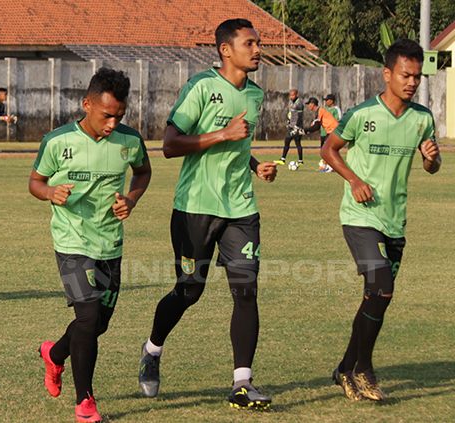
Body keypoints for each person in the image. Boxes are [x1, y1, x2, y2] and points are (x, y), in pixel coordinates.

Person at [137, 18, 277, 411]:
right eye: (249, 43)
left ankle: (242, 383)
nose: (257, 49)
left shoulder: (255, 94)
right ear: (225, 50)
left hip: (241, 209)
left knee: (246, 291)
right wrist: (221, 134)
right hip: (195, 208)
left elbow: (238, 144)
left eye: (258, 43)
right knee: (189, 291)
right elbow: (169, 145)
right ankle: (152, 350)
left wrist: (255, 165)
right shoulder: (201, 87)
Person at [321, 39, 441, 402]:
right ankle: (364, 369)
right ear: (387, 74)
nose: (411, 82)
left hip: (394, 220)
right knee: (382, 288)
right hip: (359, 218)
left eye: (417, 77)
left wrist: (431, 159)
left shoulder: (422, 119)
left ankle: (345, 367)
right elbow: (328, 148)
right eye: (406, 75)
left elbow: (432, 166)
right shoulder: (361, 115)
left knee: (376, 297)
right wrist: (354, 180)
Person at [30, 67, 151, 423]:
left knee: (97, 324)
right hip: (71, 240)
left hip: (110, 243)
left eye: (120, 116)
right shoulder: (57, 142)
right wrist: (51, 192)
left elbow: (143, 172)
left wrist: (131, 198)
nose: (113, 123)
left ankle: (54, 354)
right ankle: (85, 403)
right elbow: (35, 182)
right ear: (87, 104)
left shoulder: (129, 141)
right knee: (87, 315)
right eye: (106, 115)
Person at [303, 97, 339, 172]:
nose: (308, 106)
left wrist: (305, 130)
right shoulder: (319, 111)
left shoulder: (320, 111)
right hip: (331, 131)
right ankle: (328, 166)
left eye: (309, 104)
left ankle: (329, 167)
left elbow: (316, 126)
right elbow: (316, 126)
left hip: (333, 130)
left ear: (313, 104)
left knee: (326, 150)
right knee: (327, 149)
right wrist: (307, 131)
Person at [274, 88, 304, 168]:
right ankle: (283, 159)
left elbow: (298, 116)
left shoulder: (299, 103)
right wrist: (288, 122)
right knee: (287, 142)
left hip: (297, 127)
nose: (291, 97)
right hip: (291, 126)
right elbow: (290, 114)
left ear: (297, 95)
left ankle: (300, 160)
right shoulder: (291, 102)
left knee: (297, 143)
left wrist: (296, 127)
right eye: (290, 95)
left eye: (293, 95)